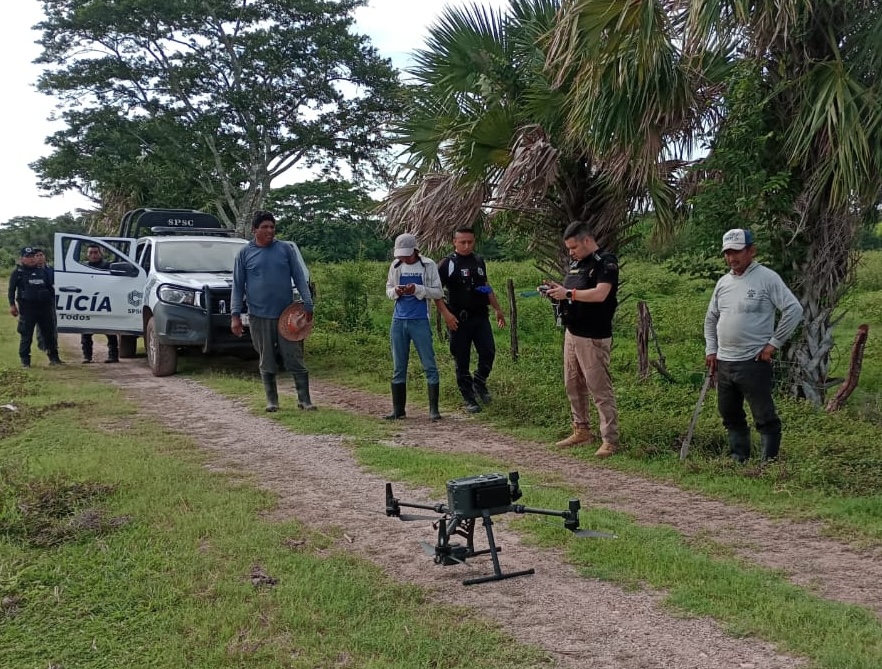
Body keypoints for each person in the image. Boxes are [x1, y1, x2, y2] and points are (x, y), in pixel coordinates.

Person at [704, 228, 803, 463]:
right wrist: (711, 349)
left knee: (763, 413)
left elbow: (794, 309)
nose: (731, 258)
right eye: (727, 253)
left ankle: (768, 461)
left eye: (737, 252)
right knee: (729, 412)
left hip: (754, 361)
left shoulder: (767, 278)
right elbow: (711, 318)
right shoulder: (724, 282)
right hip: (725, 361)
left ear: (751, 251)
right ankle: (739, 456)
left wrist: (774, 343)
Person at [542, 221, 620, 457]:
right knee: (573, 384)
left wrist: (568, 293)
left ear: (587, 240)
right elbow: (570, 292)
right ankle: (581, 429)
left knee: (599, 388)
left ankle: (610, 439)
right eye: (568, 249)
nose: (571, 252)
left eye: (574, 247)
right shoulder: (577, 265)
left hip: (593, 336)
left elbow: (600, 294)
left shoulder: (606, 263)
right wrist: (557, 290)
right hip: (572, 332)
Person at [230, 211, 315, 412]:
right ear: (254, 230)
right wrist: (235, 315)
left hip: (287, 315)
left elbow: (300, 278)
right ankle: (272, 401)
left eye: (272, 226)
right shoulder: (245, 254)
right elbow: (238, 286)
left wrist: (308, 303)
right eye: (265, 227)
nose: (270, 231)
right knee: (266, 358)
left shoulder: (285, 249)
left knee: (294, 356)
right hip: (259, 315)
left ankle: (305, 400)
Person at [438, 227, 506, 412]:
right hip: (458, 319)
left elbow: (484, 286)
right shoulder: (447, 264)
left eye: (470, 242)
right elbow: (435, 292)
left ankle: (479, 382)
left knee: (488, 351)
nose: (467, 245)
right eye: (463, 242)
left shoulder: (478, 261)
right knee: (462, 359)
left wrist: (497, 309)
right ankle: (469, 398)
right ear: (455, 242)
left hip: (480, 316)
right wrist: (446, 314)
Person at [384, 233, 444, 421]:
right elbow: (388, 289)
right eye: (400, 255)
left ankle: (434, 410)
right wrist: (397, 291)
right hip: (399, 319)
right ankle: (398, 409)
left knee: (429, 364)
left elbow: (438, 292)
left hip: (420, 319)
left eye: (406, 255)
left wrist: (417, 290)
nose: (403, 258)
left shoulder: (428, 265)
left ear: (415, 251)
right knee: (398, 366)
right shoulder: (395, 266)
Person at [8, 246, 63, 368]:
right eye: (28, 257)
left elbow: (50, 287)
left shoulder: (42, 271)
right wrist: (12, 305)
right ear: (22, 259)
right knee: (26, 335)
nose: (31, 259)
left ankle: (54, 358)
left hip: (44, 308)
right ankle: (25, 361)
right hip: (28, 309)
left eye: (32, 256)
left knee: (49, 334)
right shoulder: (18, 273)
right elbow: (11, 290)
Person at [80, 243, 120, 363]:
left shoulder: (109, 266)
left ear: (101, 253)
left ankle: (113, 356)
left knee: (110, 331)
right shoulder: (82, 267)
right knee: (86, 333)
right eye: (90, 252)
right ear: (87, 254)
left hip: (105, 302)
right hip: (89, 303)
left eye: (96, 252)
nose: (93, 255)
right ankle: (87, 356)